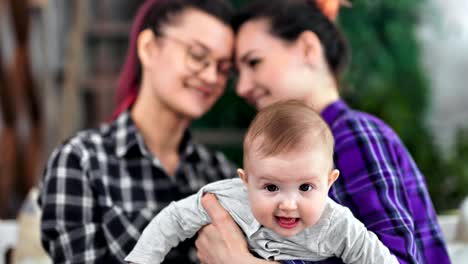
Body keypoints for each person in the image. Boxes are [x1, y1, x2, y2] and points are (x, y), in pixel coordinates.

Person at [195, 1, 451, 263]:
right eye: (239, 73)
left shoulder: (353, 136)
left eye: (254, 62)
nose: (243, 87)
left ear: (308, 49)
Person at [38, 0, 237, 263]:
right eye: (198, 56)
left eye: (223, 68)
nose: (212, 77)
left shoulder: (219, 175)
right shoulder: (80, 162)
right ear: (148, 47)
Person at [125, 100, 398, 264]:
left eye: (305, 187)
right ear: (246, 181)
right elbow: (174, 219)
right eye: (270, 187)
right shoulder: (229, 199)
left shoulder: (338, 225)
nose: (288, 204)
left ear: (329, 183)